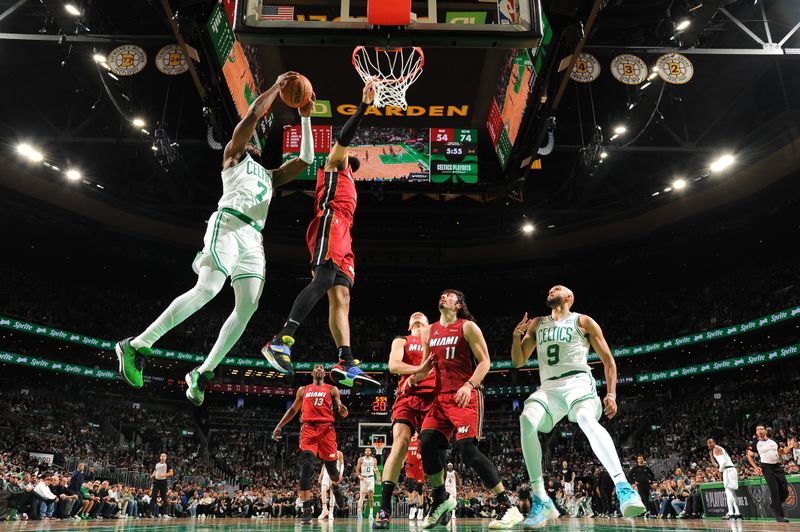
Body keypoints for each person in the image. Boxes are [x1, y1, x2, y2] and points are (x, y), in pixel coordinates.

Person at [115, 72, 315, 404]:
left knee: (248, 306)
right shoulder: (233, 157)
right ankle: (136, 345)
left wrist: (306, 119)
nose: (252, 139)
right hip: (229, 225)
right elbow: (253, 115)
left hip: (254, 240)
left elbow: (306, 161)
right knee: (208, 289)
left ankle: (202, 372)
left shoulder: (269, 175)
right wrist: (276, 87)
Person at [261, 80, 381, 390]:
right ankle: (281, 339)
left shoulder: (351, 180)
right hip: (330, 223)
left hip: (345, 234)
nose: (347, 149)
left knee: (342, 295)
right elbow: (344, 136)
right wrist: (364, 106)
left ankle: (346, 359)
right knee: (324, 280)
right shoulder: (334, 164)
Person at [511, 285, 646, 527]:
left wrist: (612, 394)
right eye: (551, 289)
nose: (552, 290)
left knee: (585, 419)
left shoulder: (583, 321)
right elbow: (518, 362)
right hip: (549, 387)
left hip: (578, 382)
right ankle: (542, 499)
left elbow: (608, 361)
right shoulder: (537, 323)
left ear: (570, 298)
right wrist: (515, 336)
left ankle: (623, 487)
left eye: (558, 288)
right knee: (526, 419)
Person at [404, 289, 523, 529]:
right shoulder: (430, 331)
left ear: (458, 304)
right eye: (442, 295)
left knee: (466, 449)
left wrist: (469, 385)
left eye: (449, 296)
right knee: (425, 442)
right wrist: (414, 378)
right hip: (441, 398)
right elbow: (428, 366)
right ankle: (440, 498)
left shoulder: (467, 327)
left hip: (464, 395)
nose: (443, 297)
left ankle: (507, 506)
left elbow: (485, 362)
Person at [374, 311, 435, 528]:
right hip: (407, 396)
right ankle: (384, 508)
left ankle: (439, 501)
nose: (417, 315)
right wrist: (419, 370)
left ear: (429, 324)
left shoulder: (436, 338)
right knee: (400, 442)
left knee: (433, 447)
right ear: (409, 326)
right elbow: (393, 365)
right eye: (413, 316)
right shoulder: (402, 340)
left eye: (421, 315)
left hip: (433, 396)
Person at [272, 364, 348, 524]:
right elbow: (293, 410)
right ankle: (307, 507)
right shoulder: (303, 389)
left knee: (333, 471)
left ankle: (335, 486)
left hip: (327, 430)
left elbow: (341, 408)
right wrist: (280, 425)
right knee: (307, 466)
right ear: (313, 373)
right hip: (308, 430)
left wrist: (342, 409)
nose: (319, 368)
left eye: (321, 367)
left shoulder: (332, 389)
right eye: (316, 367)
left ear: (325, 373)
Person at [747, 425, 796, 523]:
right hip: (767, 468)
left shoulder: (774, 441)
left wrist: (789, 447)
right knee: (775, 490)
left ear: (765, 430)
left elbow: (782, 452)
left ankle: (774, 505)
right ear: (756, 433)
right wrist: (756, 467)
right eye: (757, 430)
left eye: (761, 429)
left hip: (777, 467)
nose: (759, 431)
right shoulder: (755, 443)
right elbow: (749, 455)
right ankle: (779, 515)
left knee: (785, 491)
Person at [707, 438, 742, 520]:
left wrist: (720, 471)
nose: (709, 444)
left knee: (728, 491)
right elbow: (718, 463)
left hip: (728, 470)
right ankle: (737, 512)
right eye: (708, 443)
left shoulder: (716, 448)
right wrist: (711, 457)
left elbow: (723, 462)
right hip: (730, 469)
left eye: (710, 442)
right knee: (732, 492)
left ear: (714, 442)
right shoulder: (717, 449)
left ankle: (730, 513)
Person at [318, 450, 344, 521]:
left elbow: (342, 464)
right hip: (326, 474)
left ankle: (331, 512)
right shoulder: (327, 452)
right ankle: (324, 510)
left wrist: (341, 474)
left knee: (333, 493)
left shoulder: (339, 453)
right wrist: (320, 475)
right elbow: (324, 465)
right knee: (323, 490)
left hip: (335, 474)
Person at [356, 448, 379, 520]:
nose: (368, 451)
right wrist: (359, 476)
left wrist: (378, 476)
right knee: (362, 497)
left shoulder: (374, 460)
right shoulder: (361, 459)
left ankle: (371, 514)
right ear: (365, 452)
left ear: (371, 452)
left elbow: (375, 469)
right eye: (366, 450)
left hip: (371, 478)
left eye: (369, 450)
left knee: (371, 496)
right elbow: (357, 469)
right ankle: (359, 512)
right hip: (363, 478)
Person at [151, 453, 173, 518]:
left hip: (163, 482)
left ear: (166, 458)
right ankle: (150, 512)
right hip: (156, 481)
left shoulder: (167, 464)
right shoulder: (157, 464)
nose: (163, 457)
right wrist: (152, 475)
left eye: (164, 456)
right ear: (160, 457)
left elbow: (171, 473)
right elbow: (155, 470)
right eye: (162, 456)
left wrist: (164, 475)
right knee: (153, 497)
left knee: (164, 498)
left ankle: (165, 513)